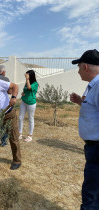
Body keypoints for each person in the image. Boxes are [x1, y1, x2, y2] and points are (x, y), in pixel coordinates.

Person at [70, 49, 99, 209]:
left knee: (91, 195)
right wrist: (81, 103)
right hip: (93, 148)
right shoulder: (93, 86)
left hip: (97, 149)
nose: (78, 71)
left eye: (79, 67)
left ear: (86, 67)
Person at [19, 70, 38, 142]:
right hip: (24, 101)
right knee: (20, 117)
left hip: (31, 103)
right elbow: (26, 90)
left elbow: (29, 88)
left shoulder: (35, 84)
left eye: (27, 75)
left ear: (31, 76)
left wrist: (27, 79)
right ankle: (20, 133)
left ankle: (30, 135)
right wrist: (23, 93)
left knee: (30, 118)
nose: (26, 76)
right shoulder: (27, 82)